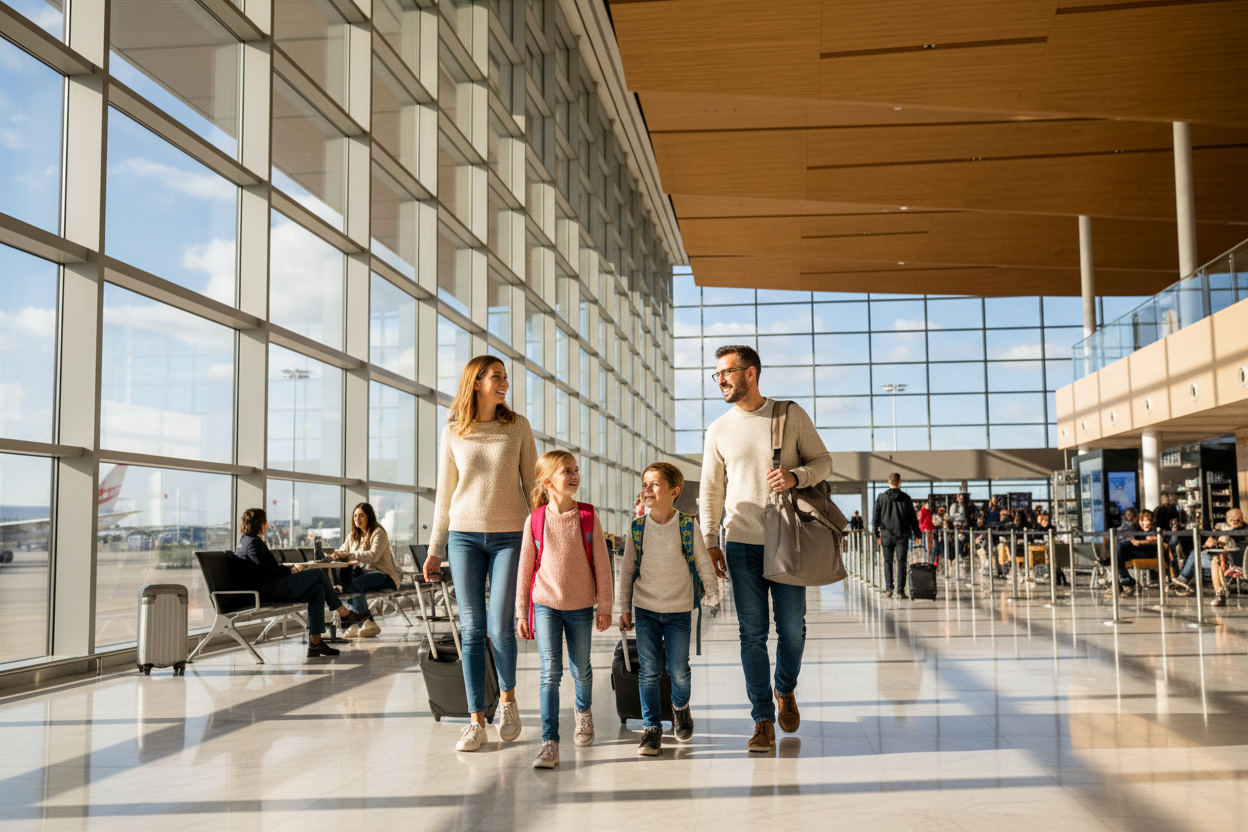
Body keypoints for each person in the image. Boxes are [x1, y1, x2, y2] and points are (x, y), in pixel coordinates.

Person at [700, 344, 833, 753]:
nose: (720, 379)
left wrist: (796, 476)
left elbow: (824, 462)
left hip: (787, 541)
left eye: (727, 372)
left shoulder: (788, 415)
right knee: (751, 635)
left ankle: (785, 689)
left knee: (792, 629)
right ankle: (762, 719)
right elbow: (710, 488)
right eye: (717, 374)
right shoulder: (718, 429)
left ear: (751, 373)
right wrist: (709, 538)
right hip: (740, 543)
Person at [425, 355, 537, 752]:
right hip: (464, 538)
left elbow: (533, 487)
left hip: (511, 537)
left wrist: (543, 536)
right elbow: (445, 495)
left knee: (500, 627)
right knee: (471, 631)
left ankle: (506, 700)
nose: (504, 382)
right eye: (497, 376)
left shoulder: (518, 427)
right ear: (476, 382)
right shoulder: (454, 431)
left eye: (506, 377)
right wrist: (436, 548)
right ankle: (475, 720)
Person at [515, 451, 612, 769]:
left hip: (582, 606)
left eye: (575, 470)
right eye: (565, 471)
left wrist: (605, 606)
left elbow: (602, 563)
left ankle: (583, 714)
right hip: (545, 605)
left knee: (581, 668)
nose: (574, 475)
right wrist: (520, 612)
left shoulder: (587, 516)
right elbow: (525, 569)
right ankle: (549, 742)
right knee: (549, 673)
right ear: (547, 481)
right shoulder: (535, 520)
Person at [619, 462, 720, 757]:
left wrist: (712, 593)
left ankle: (680, 708)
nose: (646, 490)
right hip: (646, 609)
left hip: (678, 610)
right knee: (649, 671)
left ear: (674, 492)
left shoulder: (688, 525)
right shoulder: (638, 528)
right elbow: (627, 572)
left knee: (679, 669)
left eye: (654, 484)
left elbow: (702, 561)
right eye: (644, 484)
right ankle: (651, 729)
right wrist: (624, 607)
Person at [232, 508, 368, 658]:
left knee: (317, 591)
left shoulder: (245, 542)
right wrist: (291, 570)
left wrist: (289, 568)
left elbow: (266, 568)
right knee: (316, 573)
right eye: (265, 522)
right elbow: (270, 570)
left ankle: (316, 643)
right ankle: (343, 613)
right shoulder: (254, 543)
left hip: (268, 588)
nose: (267, 525)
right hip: (271, 591)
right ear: (260, 524)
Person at [330, 502, 400, 638]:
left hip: (384, 576)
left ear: (369, 517)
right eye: (355, 515)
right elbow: (343, 549)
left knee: (356, 584)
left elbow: (373, 556)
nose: (357, 518)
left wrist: (349, 555)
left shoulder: (378, 533)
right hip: (364, 575)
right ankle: (355, 623)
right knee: (344, 586)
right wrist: (336, 554)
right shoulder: (352, 536)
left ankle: (368, 622)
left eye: (361, 515)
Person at [873, 473, 922, 599]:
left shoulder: (881, 498)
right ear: (900, 482)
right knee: (901, 562)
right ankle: (900, 591)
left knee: (887, 562)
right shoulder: (906, 498)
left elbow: (875, 519)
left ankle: (889, 589)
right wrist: (917, 534)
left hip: (886, 535)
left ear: (889, 482)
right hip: (902, 535)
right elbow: (912, 519)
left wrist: (876, 535)